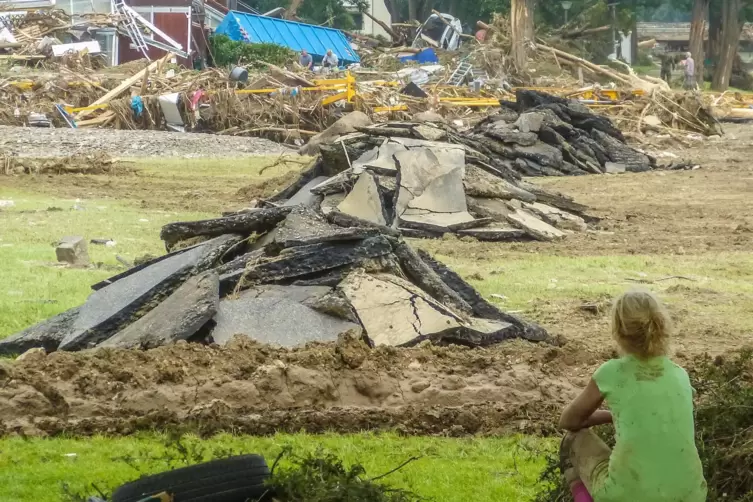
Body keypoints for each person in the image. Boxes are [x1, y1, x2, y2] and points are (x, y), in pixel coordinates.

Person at [559, 290, 706, 502]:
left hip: (627, 496)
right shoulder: (680, 374)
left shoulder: (611, 373)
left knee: (572, 439)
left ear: (617, 330)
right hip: (692, 495)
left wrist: (610, 415)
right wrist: (616, 415)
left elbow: (568, 421)